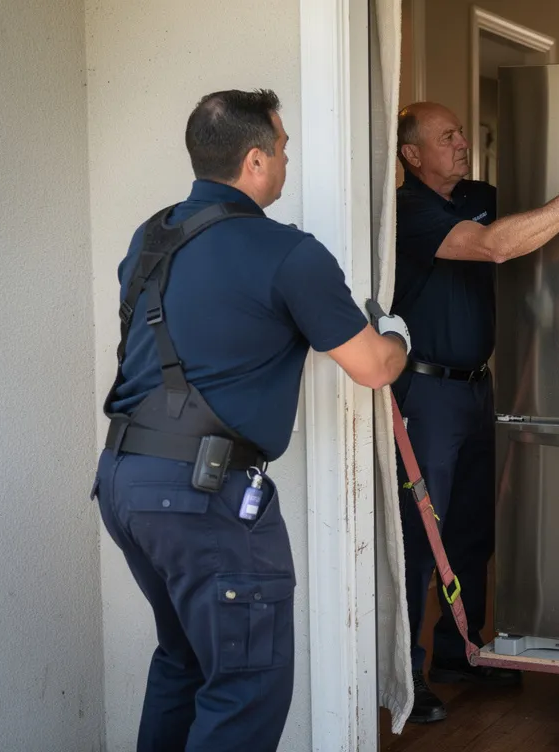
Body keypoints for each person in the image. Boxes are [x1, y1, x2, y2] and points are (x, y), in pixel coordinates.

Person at [93, 88, 410, 751]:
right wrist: (399, 337)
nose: (288, 162)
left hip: (125, 481)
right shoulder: (287, 254)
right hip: (204, 496)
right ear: (256, 161)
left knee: (184, 661)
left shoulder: (151, 237)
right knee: (245, 686)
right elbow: (373, 367)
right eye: (284, 150)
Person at [390, 101, 559, 723]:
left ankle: (460, 652)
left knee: (476, 527)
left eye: (461, 134)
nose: (461, 144)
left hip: (479, 388)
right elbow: (496, 246)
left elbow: (535, 225)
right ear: (412, 154)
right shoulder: (407, 211)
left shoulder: (480, 192)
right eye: (445, 138)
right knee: (420, 537)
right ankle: (400, 672)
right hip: (426, 394)